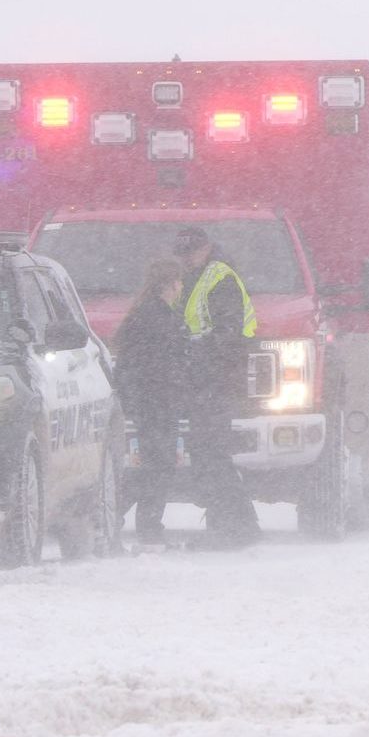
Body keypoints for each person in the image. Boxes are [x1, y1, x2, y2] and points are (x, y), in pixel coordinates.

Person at [174, 226, 263, 549]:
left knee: (213, 456)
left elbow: (228, 334)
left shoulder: (218, 278)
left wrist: (196, 348)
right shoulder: (198, 276)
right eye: (182, 252)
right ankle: (232, 523)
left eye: (191, 251)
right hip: (205, 381)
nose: (186, 258)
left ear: (206, 248)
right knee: (210, 456)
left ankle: (233, 525)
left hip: (216, 380)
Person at [113, 258, 190, 546]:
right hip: (157, 401)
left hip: (150, 401)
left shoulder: (144, 313)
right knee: (159, 465)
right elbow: (159, 362)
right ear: (170, 284)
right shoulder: (158, 318)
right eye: (179, 282)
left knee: (154, 464)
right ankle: (139, 521)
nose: (181, 287)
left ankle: (122, 514)